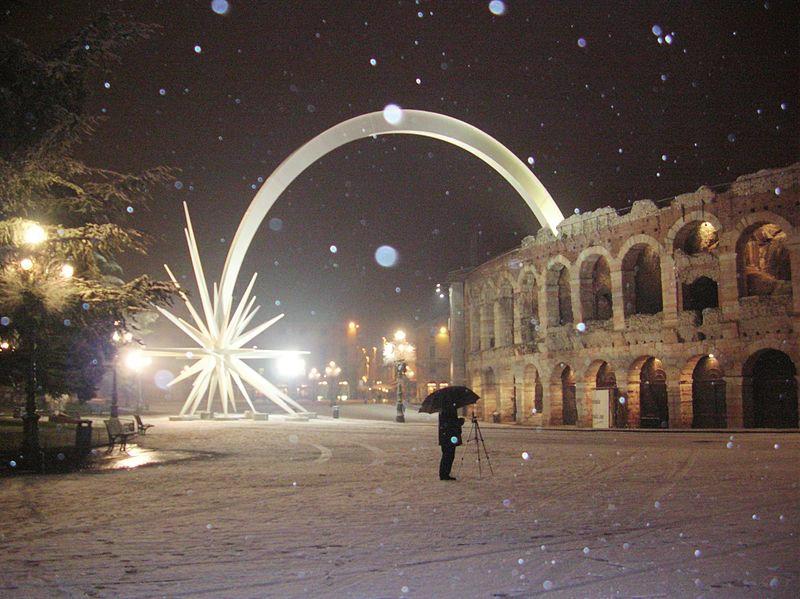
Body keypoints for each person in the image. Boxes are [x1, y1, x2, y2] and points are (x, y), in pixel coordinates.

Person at [438, 402, 464, 480]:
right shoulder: (448, 408)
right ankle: (444, 474)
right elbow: (450, 423)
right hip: (448, 436)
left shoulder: (444, 408)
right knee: (448, 455)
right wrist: (459, 422)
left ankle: (444, 473)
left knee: (447, 454)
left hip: (446, 436)